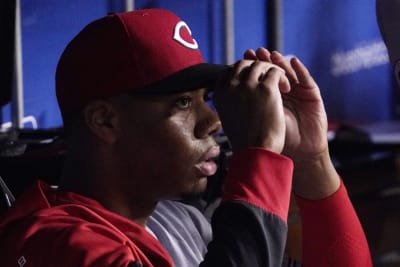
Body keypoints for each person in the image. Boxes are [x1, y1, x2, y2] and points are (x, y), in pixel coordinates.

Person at [0, 8, 372, 267]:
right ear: (104, 121)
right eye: (182, 103)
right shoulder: (56, 243)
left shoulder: (181, 223)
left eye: (204, 99)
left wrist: (312, 159)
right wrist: (257, 158)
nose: (212, 120)